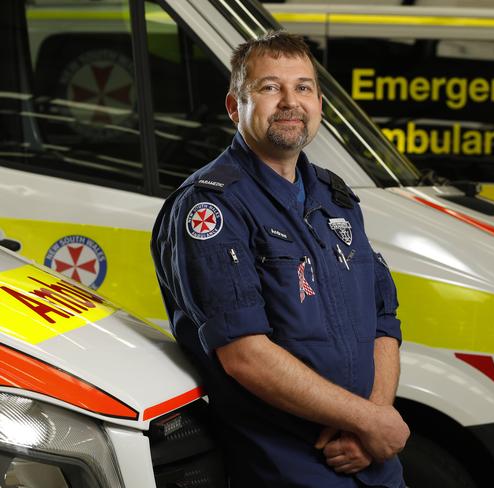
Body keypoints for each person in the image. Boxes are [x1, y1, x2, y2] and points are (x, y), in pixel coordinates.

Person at [151, 30, 409, 488]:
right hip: (289, 468)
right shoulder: (212, 208)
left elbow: (383, 319)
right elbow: (246, 356)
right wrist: (370, 421)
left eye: (303, 87)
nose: (291, 101)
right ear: (236, 107)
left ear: (319, 103)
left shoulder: (336, 198)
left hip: (371, 462)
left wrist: (374, 417)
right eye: (270, 87)